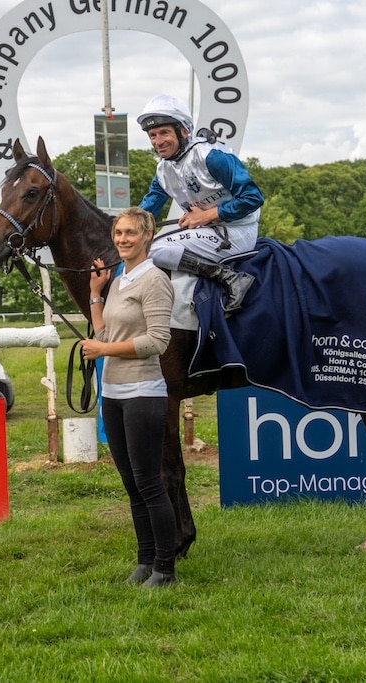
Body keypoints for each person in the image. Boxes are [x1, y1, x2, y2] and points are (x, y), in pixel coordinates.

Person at [79, 206, 178, 587]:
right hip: (115, 394)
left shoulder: (154, 280)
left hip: (143, 393)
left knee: (149, 482)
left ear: (147, 236)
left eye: (130, 233)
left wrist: (103, 353)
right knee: (131, 482)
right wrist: (95, 294)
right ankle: (144, 560)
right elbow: (106, 337)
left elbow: (157, 340)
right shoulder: (120, 280)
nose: (122, 239)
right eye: (118, 232)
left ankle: (165, 569)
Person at [137, 94, 264, 315]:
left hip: (237, 231)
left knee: (150, 249)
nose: (158, 141)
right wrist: (117, 228)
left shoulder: (212, 156)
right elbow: (145, 211)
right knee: (138, 242)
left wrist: (207, 215)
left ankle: (232, 279)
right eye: (153, 135)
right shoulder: (163, 170)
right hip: (208, 232)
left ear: (184, 131)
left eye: (165, 133)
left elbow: (253, 198)